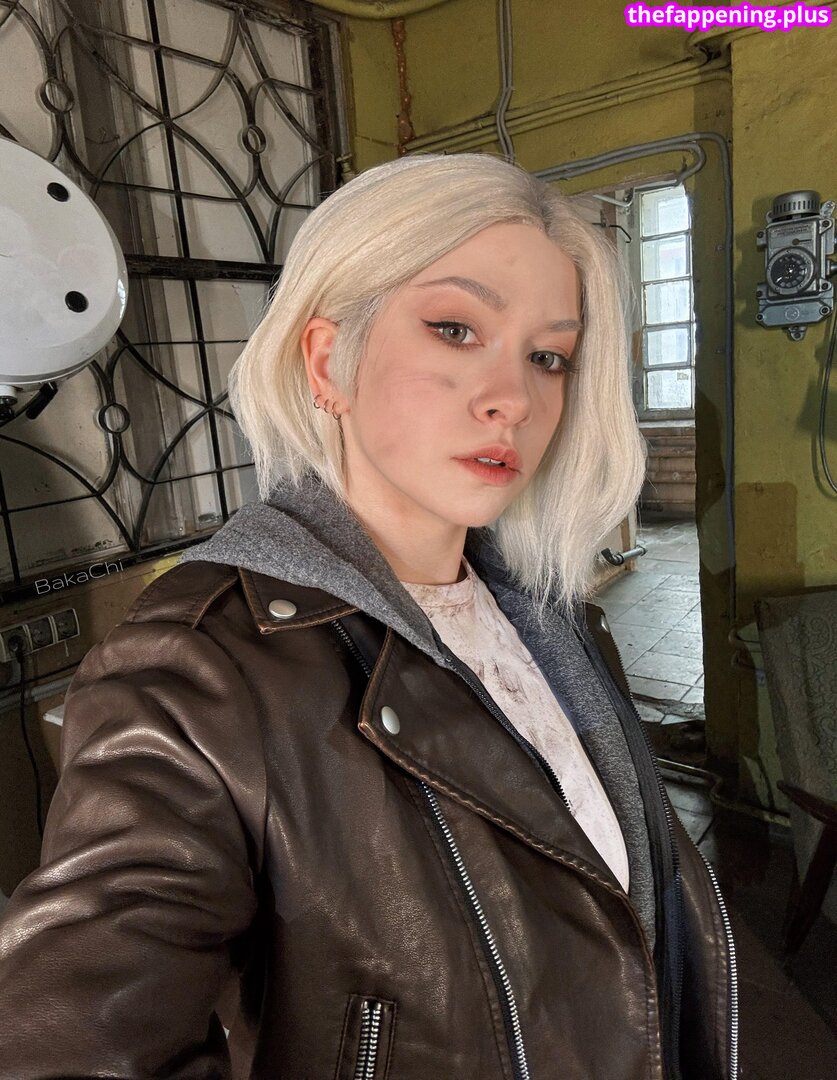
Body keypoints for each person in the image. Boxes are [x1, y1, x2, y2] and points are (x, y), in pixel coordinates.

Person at [0, 152, 737, 1079]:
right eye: (454, 329)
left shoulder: (556, 624)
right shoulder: (195, 669)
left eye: (547, 356)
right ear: (326, 362)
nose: (513, 398)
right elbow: (72, 1025)